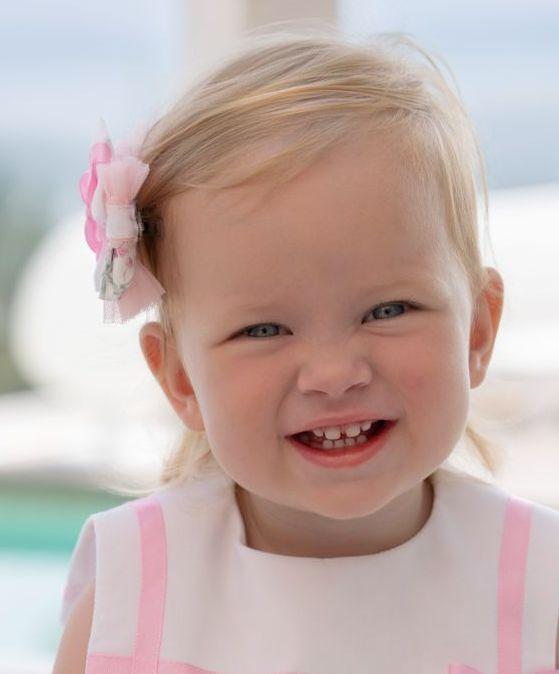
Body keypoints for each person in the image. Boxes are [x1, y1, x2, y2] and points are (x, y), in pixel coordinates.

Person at [53, 23, 559, 674]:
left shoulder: (538, 585)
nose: (333, 373)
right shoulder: (133, 597)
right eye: (264, 330)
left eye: (387, 310)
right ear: (178, 376)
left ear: (477, 332)